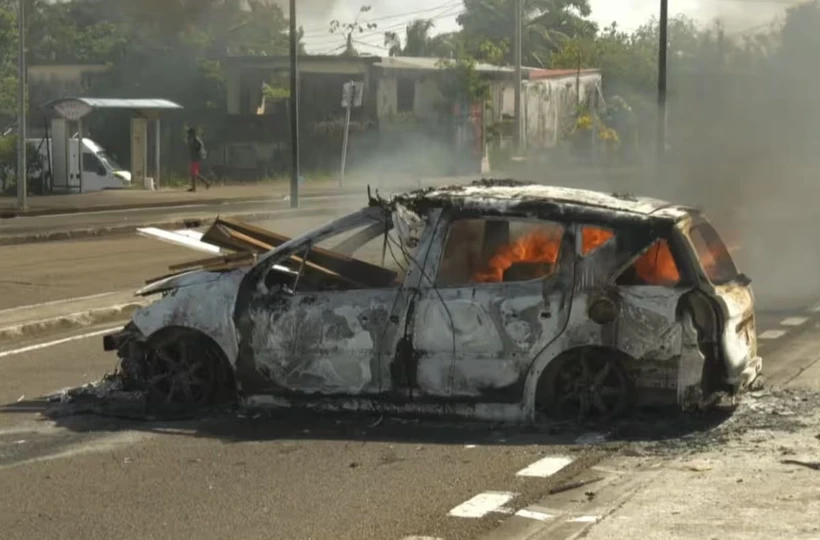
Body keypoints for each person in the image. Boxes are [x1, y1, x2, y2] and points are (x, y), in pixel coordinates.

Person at [186, 127, 210, 192]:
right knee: (193, 173)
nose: (188, 134)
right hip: (194, 157)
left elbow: (198, 148)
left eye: (189, 133)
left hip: (196, 158)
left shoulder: (196, 140)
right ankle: (195, 187)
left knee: (194, 173)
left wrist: (196, 151)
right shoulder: (193, 139)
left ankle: (206, 182)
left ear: (192, 133)